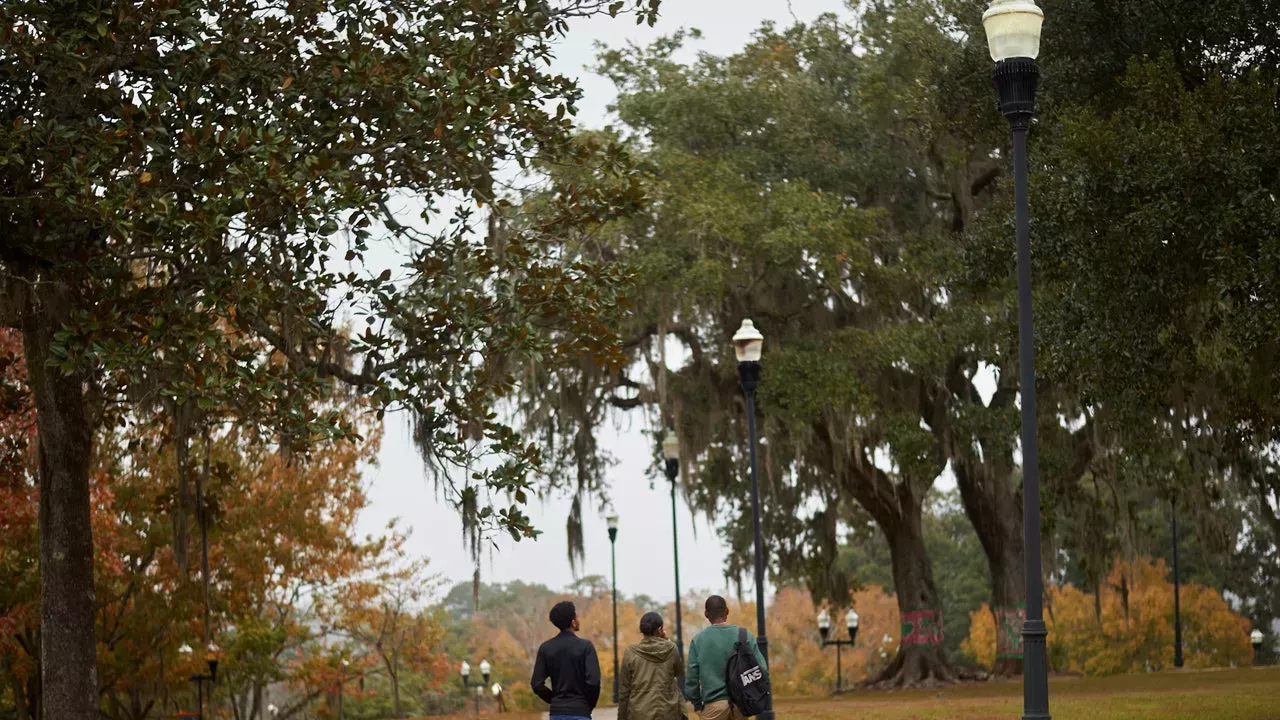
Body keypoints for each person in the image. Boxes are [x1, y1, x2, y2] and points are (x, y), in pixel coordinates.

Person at [684, 596, 768, 720]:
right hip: (741, 703)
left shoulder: (698, 640)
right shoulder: (744, 636)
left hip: (714, 705)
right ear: (727, 611)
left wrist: (697, 705)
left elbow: (691, 680)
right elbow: (762, 669)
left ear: (706, 614)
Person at [532, 601, 602, 720]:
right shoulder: (586, 647)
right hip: (580, 712)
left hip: (557, 712)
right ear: (573, 622)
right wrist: (588, 704)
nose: (578, 619)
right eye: (576, 616)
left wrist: (554, 699)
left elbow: (536, 684)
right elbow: (594, 682)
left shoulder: (546, 648)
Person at [618, 611, 686, 720]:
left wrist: (621, 717)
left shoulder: (630, 652)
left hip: (639, 713)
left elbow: (624, 691)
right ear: (660, 630)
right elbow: (679, 671)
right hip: (668, 712)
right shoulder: (671, 648)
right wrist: (666, 640)